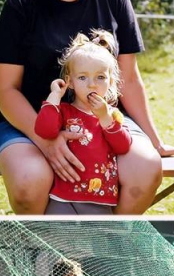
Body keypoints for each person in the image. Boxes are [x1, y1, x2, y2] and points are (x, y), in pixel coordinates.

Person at [0, 0, 174, 215]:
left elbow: (129, 80)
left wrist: (155, 141)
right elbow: (6, 90)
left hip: (102, 120)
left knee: (146, 169)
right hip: (29, 122)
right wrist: (46, 141)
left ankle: (105, 242)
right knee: (30, 181)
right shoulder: (21, 4)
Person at [34, 30, 132, 214]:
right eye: (82, 77)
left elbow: (123, 146)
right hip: (62, 197)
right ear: (70, 82)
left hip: (101, 199)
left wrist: (104, 118)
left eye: (100, 77)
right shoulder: (64, 111)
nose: (92, 84)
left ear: (111, 81)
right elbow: (44, 130)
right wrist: (55, 96)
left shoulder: (112, 114)